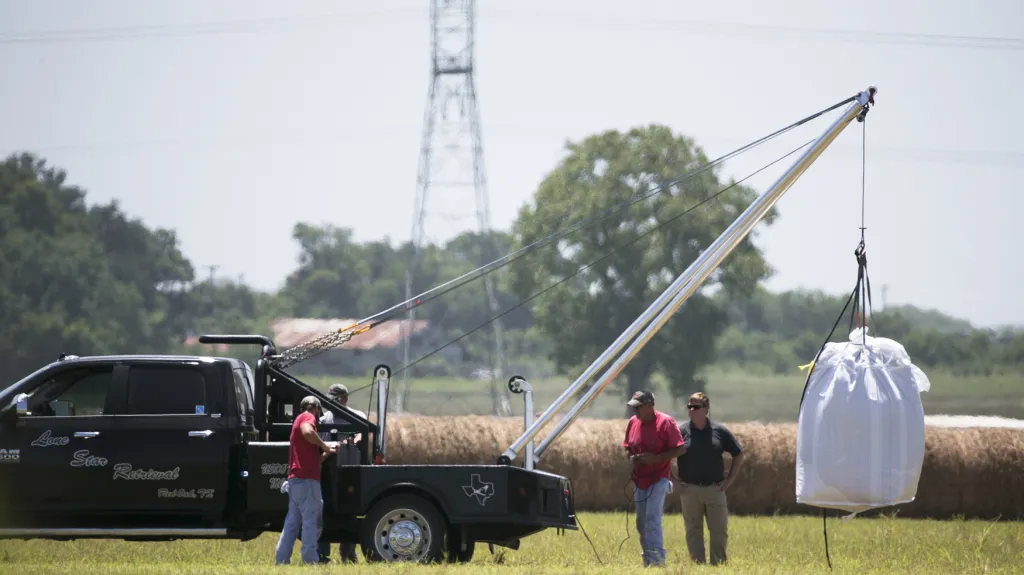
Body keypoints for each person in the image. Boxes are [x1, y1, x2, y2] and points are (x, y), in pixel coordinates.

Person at [676, 391, 745, 566]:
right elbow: (665, 454)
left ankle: (718, 564)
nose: (691, 410)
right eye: (689, 407)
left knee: (719, 529)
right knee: (693, 530)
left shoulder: (719, 431)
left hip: (715, 489)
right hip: (689, 490)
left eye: (696, 407)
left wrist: (729, 480)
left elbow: (738, 454)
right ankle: (697, 564)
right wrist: (674, 481)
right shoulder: (681, 432)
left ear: (706, 409)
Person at [621, 389, 686, 568]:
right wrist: (633, 458)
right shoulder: (633, 422)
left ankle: (657, 561)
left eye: (638, 407)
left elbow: (680, 448)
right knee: (641, 523)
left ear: (649, 406)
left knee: (652, 519)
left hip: (659, 479)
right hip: (639, 479)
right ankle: (648, 559)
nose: (635, 410)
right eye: (633, 407)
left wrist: (656, 459)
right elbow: (627, 448)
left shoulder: (666, 422)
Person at [274, 395, 338, 565]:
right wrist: (324, 445)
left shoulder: (297, 420)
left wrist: (327, 451)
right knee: (311, 521)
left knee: (291, 524)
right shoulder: (307, 417)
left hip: (295, 480)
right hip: (307, 481)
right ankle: (310, 561)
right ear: (316, 408)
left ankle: (281, 560)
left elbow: (313, 461)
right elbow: (308, 431)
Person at [315, 383, 367, 563]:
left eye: (336, 400)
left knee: (349, 512)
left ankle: (348, 554)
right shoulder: (324, 419)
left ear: (345, 399)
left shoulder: (357, 415)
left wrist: (352, 441)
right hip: (328, 471)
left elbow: (362, 433)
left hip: (350, 469)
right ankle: (322, 554)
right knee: (324, 510)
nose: (332, 404)